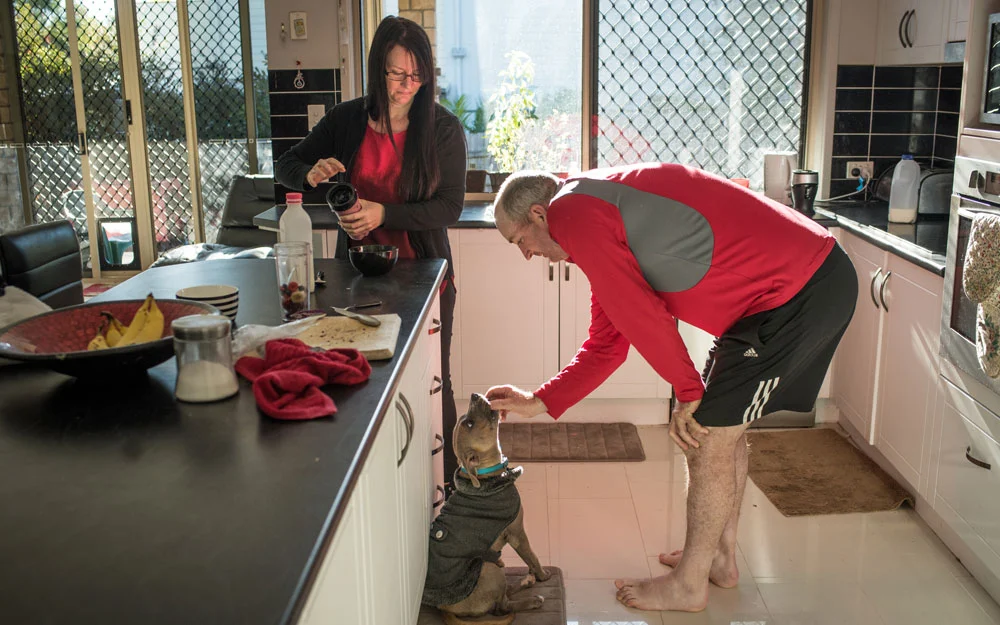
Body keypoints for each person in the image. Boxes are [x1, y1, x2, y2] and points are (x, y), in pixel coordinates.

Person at [485, 163, 857, 612]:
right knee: (718, 432)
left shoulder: (574, 214)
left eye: (519, 241)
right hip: (772, 298)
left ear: (539, 214)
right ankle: (719, 558)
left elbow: (642, 314)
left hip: (799, 292)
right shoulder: (588, 209)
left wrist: (688, 390)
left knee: (708, 435)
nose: (526, 254)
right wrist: (540, 401)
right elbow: (608, 343)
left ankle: (689, 585)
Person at [275, 16, 467, 490]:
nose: (407, 86)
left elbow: (450, 207)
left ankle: (449, 490)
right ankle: (380, 488)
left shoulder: (442, 128)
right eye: (397, 74)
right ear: (377, 68)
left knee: (433, 383)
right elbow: (285, 164)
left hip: (425, 280)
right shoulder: (347, 120)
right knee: (364, 385)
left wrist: (384, 214)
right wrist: (310, 174)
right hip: (360, 281)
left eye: (417, 76)